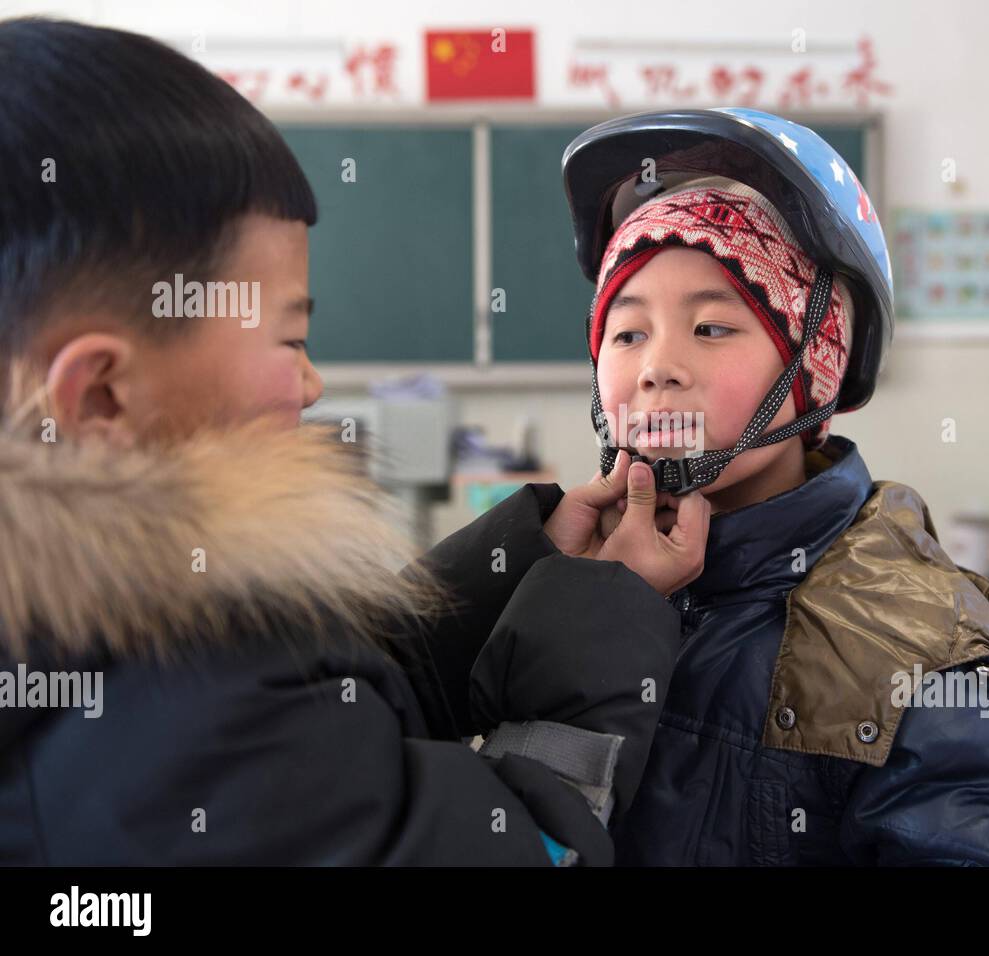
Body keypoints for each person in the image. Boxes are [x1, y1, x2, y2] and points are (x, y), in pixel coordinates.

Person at [0, 17, 709, 865]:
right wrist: (604, 622)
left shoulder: (116, 622)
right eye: (290, 341)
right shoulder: (197, 738)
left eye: (712, 327)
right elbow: (531, 847)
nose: (310, 385)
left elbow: (333, 691)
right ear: (104, 394)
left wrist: (516, 566)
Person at [558, 109, 989, 865]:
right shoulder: (573, 580)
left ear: (818, 368)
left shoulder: (924, 662)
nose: (655, 368)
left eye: (711, 329)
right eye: (628, 332)